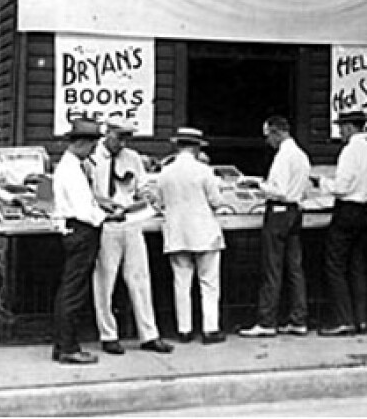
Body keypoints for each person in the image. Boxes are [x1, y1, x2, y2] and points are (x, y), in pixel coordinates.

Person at [91, 118, 173, 356]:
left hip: (131, 222)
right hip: (106, 224)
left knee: (140, 277)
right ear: (107, 133)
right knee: (105, 280)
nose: (122, 143)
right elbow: (89, 194)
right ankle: (108, 334)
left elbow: (142, 185)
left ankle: (149, 335)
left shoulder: (132, 158)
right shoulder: (92, 159)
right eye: (119, 137)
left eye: (126, 138)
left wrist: (148, 196)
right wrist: (105, 206)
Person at [51, 117, 124, 365]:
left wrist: (99, 202)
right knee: (73, 292)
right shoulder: (71, 170)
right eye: (92, 146)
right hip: (81, 230)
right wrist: (110, 215)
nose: (94, 150)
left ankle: (62, 344)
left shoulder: (74, 166)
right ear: (82, 143)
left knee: (70, 290)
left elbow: (85, 199)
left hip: (76, 229)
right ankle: (68, 347)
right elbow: (83, 210)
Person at [316, 110, 367, 337]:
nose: (340, 133)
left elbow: (342, 187)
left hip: (347, 210)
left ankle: (344, 320)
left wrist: (323, 183)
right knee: (358, 266)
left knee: (335, 265)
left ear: (349, 127)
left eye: (341, 128)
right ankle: (361, 320)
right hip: (365, 210)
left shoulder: (349, 152)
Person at [239, 116, 311, 338]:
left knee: (272, 268)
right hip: (295, 212)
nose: (267, 141)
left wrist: (257, 185)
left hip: (279, 212)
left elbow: (278, 190)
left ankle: (267, 321)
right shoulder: (301, 155)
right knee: (295, 269)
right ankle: (299, 319)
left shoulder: (283, 156)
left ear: (277, 132)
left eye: (268, 135)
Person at [155, 127, 226, 345]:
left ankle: (184, 329)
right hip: (204, 232)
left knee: (181, 282)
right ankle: (210, 329)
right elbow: (216, 201)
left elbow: (159, 203)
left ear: (177, 146)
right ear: (196, 147)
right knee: (209, 283)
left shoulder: (165, 172)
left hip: (177, 233)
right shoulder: (204, 171)